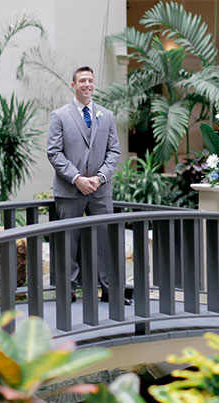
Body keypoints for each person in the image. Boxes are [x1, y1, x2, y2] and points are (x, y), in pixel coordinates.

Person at [47, 66, 128, 305]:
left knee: (105, 241)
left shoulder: (107, 116)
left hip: (100, 191)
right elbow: (54, 152)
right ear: (73, 84)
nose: (87, 84)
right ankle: (68, 290)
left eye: (90, 80)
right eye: (82, 80)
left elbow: (114, 151)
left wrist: (100, 177)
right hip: (70, 190)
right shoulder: (60, 116)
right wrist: (77, 179)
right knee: (68, 242)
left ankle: (110, 290)